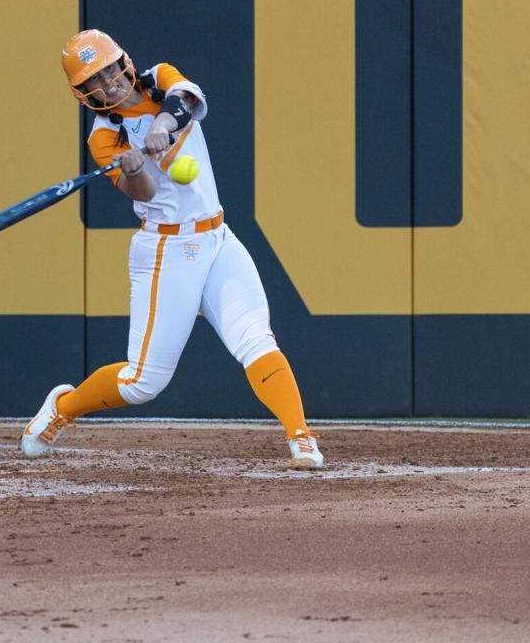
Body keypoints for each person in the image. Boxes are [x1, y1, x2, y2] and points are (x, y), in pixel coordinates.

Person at [20, 30, 323, 469]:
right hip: (167, 248)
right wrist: (135, 165)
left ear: (123, 62)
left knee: (255, 337)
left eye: (109, 69)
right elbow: (139, 193)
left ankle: (301, 436)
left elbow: (185, 103)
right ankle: (62, 408)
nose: (109, 82)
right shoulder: (104, 139)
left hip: (218, 237)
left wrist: (160, 127)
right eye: (95, 80)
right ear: (85, 93)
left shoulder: (159, 78)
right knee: (143, 383)